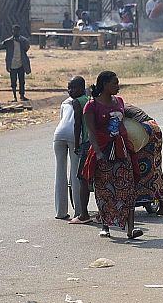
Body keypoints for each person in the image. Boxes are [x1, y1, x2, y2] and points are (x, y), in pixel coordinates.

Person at [82, 71, 146, 241]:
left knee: (128, 188)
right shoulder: (91, 106)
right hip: (103, 151)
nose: (118, 86)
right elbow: (91, 133)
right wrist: (98, 152)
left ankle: (130, 229)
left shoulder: (119, 102)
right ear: (104, 85)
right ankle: (105, 226)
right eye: (114, 83)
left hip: (122, 150)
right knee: (104, 190)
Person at [52, 77, 88, 222]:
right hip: (74, 137)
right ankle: (79, 211)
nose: (70, 91)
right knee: (75, 174)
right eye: (69, 88)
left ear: (82, 87)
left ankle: (60, 211)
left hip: (58, 135)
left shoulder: (65, 103)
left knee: (60, 173)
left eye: (73, 88)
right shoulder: (87, 101)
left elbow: (62, 120)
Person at [1, 24, 29, 101]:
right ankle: (14, 96)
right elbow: (1, 46)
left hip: (21, 64)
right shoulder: (8, 41)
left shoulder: (23, 41)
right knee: (13, 82)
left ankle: (22, 96)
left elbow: (27, 47)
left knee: (22, 81)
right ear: (12, 31)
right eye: (14, 31)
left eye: (17, 31)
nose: (16, 32)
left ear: (19, 32)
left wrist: (21, 42)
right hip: (12, 64)